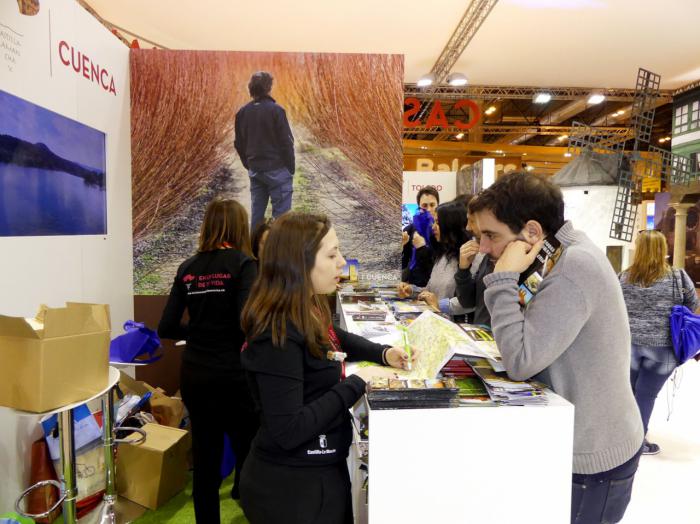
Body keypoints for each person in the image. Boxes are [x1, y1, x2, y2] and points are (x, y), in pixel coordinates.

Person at [470, 172, 643, 524]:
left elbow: (520, 360)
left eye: (491, 235)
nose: (484, 247)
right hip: (577, 440)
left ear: (532, 233)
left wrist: (501, 279)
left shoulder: (570, 268)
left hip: (592, 456)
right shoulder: (558, 256)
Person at [239, 212, 416, 524]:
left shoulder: (307, 303)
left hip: (317, 472)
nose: (342, 263)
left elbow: (334, 337)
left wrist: (383, 352)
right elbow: (289, 429)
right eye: (332, 255)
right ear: (299, 261)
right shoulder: (276, 331)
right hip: (291, 491)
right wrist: (357, 381)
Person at [158, 198, 259, 524]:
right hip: (234, 376)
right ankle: (251, 511)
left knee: (205, 457)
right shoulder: (244, 264)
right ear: (239, 228)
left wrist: (200, 330)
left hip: (196, 374)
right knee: (249, 451)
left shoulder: (187, 268)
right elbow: (248, 322)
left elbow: (167, 327)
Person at [619, 230, 698, 455]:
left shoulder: (624, 277)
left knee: (631, 393)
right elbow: (691, 304)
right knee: (646, 395)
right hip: (663, 348)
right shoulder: (677, 276)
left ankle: (625, 438)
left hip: (630, 346)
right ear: (663, 249)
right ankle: (637, 444)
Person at [234, 71, 295, 229]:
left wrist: (249, 164)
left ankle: (254, 250)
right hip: (277, 169)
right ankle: (278, 250)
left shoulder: (242, 113)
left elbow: (239, 143)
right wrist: (290, 168)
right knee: (281, 217)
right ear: (269, 88)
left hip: (256, 170)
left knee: (257, 215)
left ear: (251, 88)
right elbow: (286, 143)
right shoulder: (276, 111)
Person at [399, 201, 471, 319]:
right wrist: (411, 290)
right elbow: (430, 291)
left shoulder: (470, 256)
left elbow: (470, 301)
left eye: (437, 222)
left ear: (450, 224)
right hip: (435, 320)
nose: (433, 227)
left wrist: (439, 304)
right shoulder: (443, 255)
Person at [401, 186, 440, 286]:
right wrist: (402, 247)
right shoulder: (409, 230)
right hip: (411, 285)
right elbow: (403, 263)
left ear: (438, 205)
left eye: (432, 205)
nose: (429, 209)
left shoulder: (443, 230)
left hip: (434, 285)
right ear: (419, 206)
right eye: (424, 206)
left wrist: (422, 248)